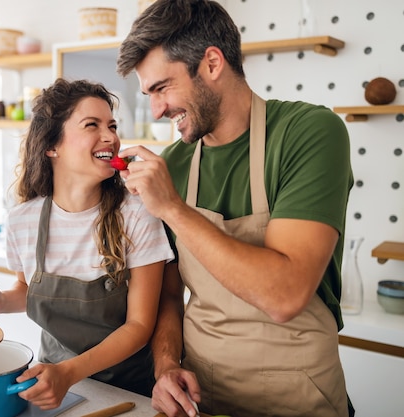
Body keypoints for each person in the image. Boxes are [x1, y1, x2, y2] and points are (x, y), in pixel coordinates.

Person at [115, 1, 354, 416]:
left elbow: (285, 294)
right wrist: (167, 366)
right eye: (148, 94)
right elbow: (170, 296)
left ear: (211, 63)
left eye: (162, 88)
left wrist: (173, 208)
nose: (156, 111)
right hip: (201, 398)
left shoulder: (309, 133)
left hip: (299, 396)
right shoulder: (173, 163)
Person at [0, 78, 174, 410]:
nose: (111, 137)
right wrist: (0, 300)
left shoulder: (138, 214)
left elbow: (140, 325)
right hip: (52, 384)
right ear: (52, 146)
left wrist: (68, 372)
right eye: (92, 125)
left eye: (112, 126)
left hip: (130, 392)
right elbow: (27, 289)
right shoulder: (22, 221)